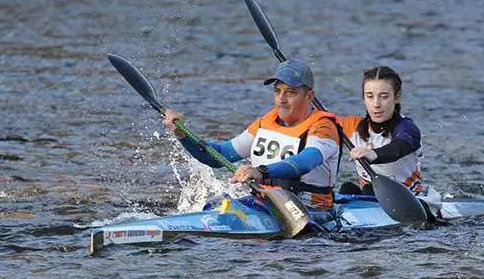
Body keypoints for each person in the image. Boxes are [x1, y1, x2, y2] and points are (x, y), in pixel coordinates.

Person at [162, 59, 342, 210]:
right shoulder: (266, 123)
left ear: (309, 96)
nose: (281, 99)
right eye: (277, 91)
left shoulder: (324, 127)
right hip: (266, 204)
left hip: (310, 211)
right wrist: (182, 135)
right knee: (211, 205)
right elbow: (219, 155)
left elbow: (306, 161)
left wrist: (260, 171)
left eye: (291, 92)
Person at [336, 66, 428, 197]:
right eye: (369, 96)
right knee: (347, 189)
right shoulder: (351, 127)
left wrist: (373, 154)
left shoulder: (407, 128)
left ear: (397, 97)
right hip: (370, 196)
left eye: (384, 97)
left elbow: (399, 147)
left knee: (370, 190)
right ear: (363, 99)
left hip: (409, 200)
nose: (376, 104)